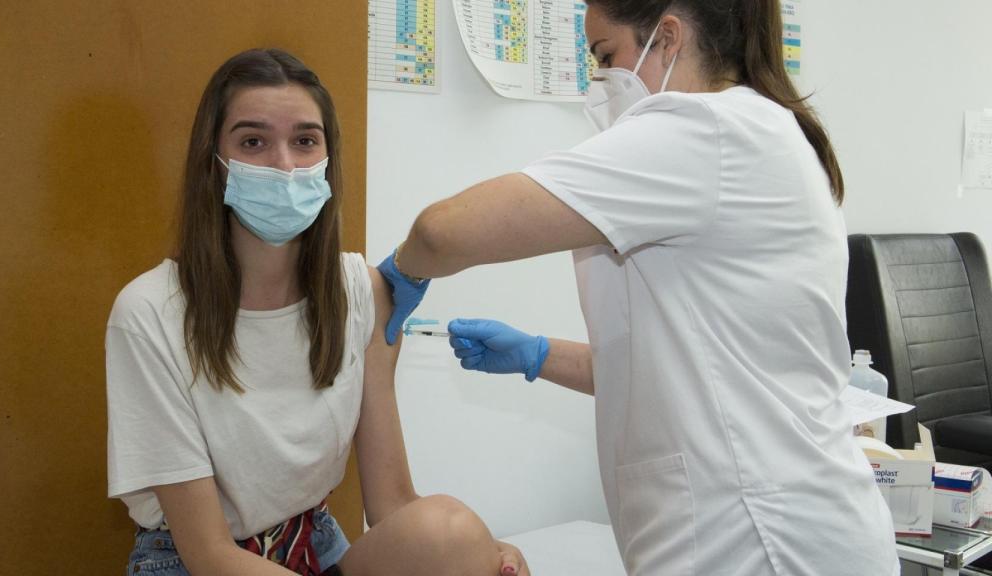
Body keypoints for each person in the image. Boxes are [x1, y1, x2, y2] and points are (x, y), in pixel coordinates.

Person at [377, 1, 899, 575]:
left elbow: (444, 230)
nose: (599, 81)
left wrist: (402, 271)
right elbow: (686, 369)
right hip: (787, 523)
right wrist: (538, 354)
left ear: (668, 38)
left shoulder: (708, 132)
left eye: (606, 56)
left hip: (767, 541)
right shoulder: (759, 134)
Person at [105, 48, 526, 576]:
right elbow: (209, 554)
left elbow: (393, 504)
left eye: (305, 141)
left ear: (328, 157)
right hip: (196, 564)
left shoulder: (361, 291)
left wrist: (480, 555)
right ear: (213, 162)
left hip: (313, 545)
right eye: (253, 142)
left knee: (452, 533)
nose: (284, 165)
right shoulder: (148, 313)